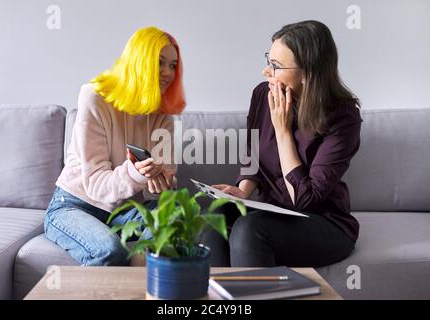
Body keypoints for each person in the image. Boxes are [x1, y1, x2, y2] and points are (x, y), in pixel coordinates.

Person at [204, 20, 362, 267]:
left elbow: (304, 200)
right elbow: (253, 154)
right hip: (271, 212)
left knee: (249, 229)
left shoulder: (343, 117)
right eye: (269, 61)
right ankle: (219, 300)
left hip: (323, 222)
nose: (266, 71)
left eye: (275, 66)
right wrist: (242, 191)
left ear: (307, 74)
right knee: (216, 215)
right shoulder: (262, 94)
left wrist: (283, 131)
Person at [44, 26, 186, 266]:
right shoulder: (95, 97)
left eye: (173, 65)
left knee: (172, 218)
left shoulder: (163, 117)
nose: (167, 73)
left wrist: (161, 182)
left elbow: (155, 193)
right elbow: (97, 185)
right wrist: (135, 172)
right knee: (111, 252)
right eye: (160, 62)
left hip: (123, 210)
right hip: (74, 206)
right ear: (139, 61)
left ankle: (151, 290)